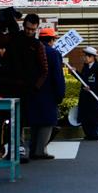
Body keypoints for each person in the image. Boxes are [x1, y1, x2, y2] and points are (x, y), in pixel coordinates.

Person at [0, 13, 48, 162]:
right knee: (5, 120)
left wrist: (35, 87)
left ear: (37, 29)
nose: (29, 31)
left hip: (26, 89)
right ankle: (9, 150)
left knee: (20, 121)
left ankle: (18, 151)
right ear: (23, 25)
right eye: (27, 28)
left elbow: (44, 70)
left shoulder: (37, 45)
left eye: (33, 29)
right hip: (7, 86)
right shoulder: (13, 38)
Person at [29, 28, 65, 160]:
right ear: (51, 40)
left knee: (35, 122)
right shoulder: (53, 53)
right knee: (47, 121)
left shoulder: (31, 51)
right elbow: (58, 76)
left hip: (33, 91)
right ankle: (40, 151)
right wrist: (61, 93)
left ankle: (32, 150)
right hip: (48, 92)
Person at [78, 46, 98, 140]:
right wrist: (75, 73)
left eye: (88, 56)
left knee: (94, 115)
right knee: (85, 115)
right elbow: (82, 79)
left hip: (95, 97)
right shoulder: (85, 66)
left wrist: (91, 87)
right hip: (85, 96)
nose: (86, 57)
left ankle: (95, 134)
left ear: (93, 57)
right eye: (85, 55)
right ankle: (88, 134)